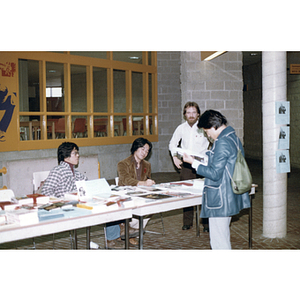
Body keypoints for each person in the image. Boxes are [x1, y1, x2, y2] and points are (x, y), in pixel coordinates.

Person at [183, 110, 251, 249]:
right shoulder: (233, 137)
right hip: (227, 194)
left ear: (213, 126)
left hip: (220, 198)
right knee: (223, 237)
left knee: (219, 241)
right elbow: (226, 164)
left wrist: (193, 163)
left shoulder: (222, 142)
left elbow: (214, 174)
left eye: (207, 131)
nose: (208, 135)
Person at [106, 138, 155, 248]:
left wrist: (150, 183)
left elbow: (147, 179)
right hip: (125, 194)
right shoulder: (123, 164)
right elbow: (125, 180)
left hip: (140, 194)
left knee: (152, 206)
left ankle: (131, 231)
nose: (145, 153)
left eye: (147, 151)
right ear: (135, 148)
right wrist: (143, 183)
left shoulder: (147, 165)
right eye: (142, 149)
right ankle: (125, 229)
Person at [169, 102, 210, 231]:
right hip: (187, 164)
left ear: (198, 114)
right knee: (187, 193)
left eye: (194, 112)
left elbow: (213, 142)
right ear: (184, 114)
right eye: (188, 112)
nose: (191, 115)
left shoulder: (204, 127)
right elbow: (172, 143)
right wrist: (175, 157)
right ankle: (187, 222)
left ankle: (206, 224)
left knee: (205, 193)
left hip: (202, 164)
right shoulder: (181, 128)